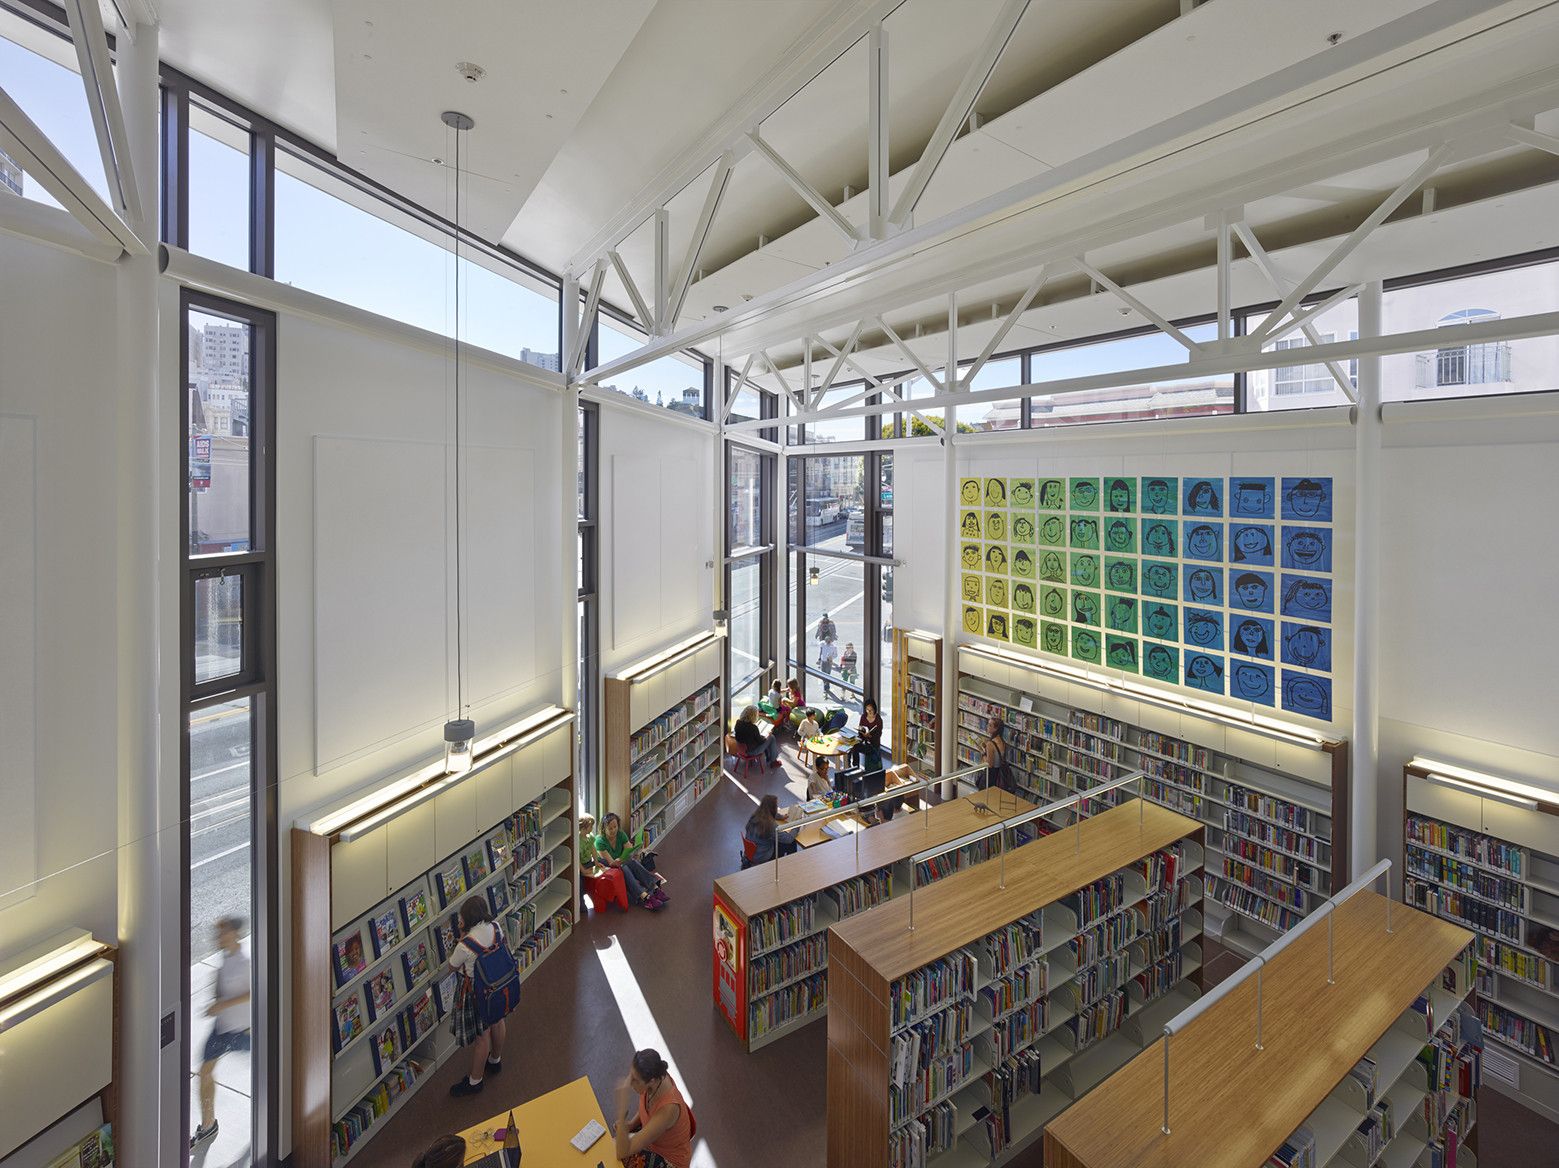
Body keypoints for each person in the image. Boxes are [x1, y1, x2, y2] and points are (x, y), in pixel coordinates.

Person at [190, 916, 252, 1148]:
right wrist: (216, 1003)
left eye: (222, 932)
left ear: (234, 934)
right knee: (205, 1072)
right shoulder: (225, 959)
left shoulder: (245, 962)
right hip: (222, 1029)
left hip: (243, 1031)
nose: (218, 937)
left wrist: (221, 1004)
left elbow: (254, 992)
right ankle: (208, 1124)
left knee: (269, 1065)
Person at [446, 895, 511, 1096]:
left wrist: (460, 938)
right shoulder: (496, 927)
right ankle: (495, 1060)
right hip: (497, 984)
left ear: (466, 919)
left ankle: (475, 1081)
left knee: (482, 1037)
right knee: (498, 1021)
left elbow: (451, 967)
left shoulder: (465, 945)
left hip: (476, 992)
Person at [613, 1049, 694, 1168]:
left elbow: (621, 1153)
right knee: (614, 1144)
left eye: (635, 1080)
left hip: (668, 1160)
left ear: (651, 1081)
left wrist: (621, 1110)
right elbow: (646, 1107)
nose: (629, 1083)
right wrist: (631, 1124)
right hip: (654, 1140)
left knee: (617, 1154)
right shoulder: (656, 1077)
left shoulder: (667, 1110)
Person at [597, 813, 667, 911]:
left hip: (621, 862)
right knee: (624, 867)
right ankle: (644, 896)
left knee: (632, 862)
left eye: (615, 827)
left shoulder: (620, 834)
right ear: (604, 829)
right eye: (610, 828)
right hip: (608, 867)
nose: (614, 830)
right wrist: (621, 859)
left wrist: (633, 853)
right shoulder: (600, 842)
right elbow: (611, 863)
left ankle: (654, 888)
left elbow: (629, 849)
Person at [744, 794, 797, 864]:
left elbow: (771, 813)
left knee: (778, 839)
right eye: (776, 806)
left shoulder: (755, 816)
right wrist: (797, 824)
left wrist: (781, 817)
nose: (777, 808)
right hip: (762, 856)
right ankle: (790, 864)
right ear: (773, 808)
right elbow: (788, 839)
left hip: (752, 852)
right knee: (792, 843)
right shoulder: (770, 825)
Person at [852, 698, 884, 774]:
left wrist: (869, 736)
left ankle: (856, 768)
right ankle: (855, 767)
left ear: (874, 709)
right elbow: (860, 730)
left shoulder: (878, 719)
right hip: (864, 741)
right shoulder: (863, 717)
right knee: (853, 745)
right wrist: (862, 733)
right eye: (867, 709)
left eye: (871, 710)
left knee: (858, 748)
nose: (869, 712)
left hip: (873, 744)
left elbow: (878, 735)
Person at [982, 717, 1012, 793]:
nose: (987, 726)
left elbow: (990, 764)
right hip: (999, 773)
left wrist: (983, 754)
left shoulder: (990, 744)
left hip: (991, 775)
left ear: (996, 729)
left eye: (990, 725)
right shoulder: (1002, 741)